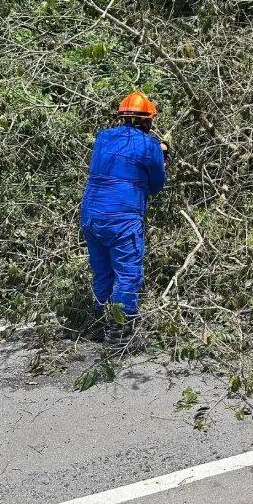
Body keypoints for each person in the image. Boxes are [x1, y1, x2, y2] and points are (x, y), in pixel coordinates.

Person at [79, 92, 168, 349]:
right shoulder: (149, 146)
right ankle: (120, 334)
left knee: (103, 271)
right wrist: (163, 159)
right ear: (147, 120)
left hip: (91, 215)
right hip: (121, 218)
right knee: (128, 273)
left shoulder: (103, 137)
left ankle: (100, 323)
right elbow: (156, 185)